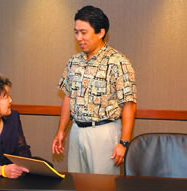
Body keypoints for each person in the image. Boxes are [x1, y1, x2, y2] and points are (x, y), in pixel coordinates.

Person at [52, 5, 137, 175]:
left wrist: (124, 142)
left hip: (104, 132)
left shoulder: (118, 61)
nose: (79, 37)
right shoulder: (73, 62)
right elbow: (68, 98)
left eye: (84, 32)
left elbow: (129, 104)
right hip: (76, 131)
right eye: (76, 32)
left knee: (103, 188)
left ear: (100, 32)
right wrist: (60, 132)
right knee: (77, 184)